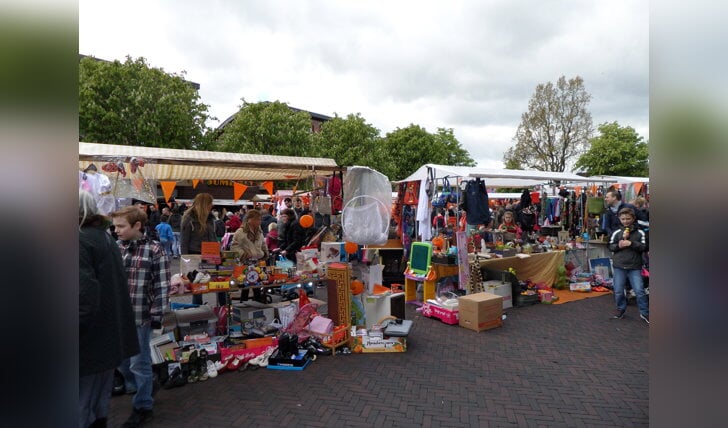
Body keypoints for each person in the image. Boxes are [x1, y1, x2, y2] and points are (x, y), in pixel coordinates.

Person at [79, 190, 139, 428]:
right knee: (97, 402)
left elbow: (82, 297)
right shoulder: (104, 237)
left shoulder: (79, 240)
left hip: (88, 339)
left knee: (81, 404)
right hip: (107, 334)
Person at [110, 205, 170, 427]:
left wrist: (157, 315)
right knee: (121, 362)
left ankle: (143, 406)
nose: (116, 230)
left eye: (120, 226)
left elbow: (161, 286)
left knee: (138, 362)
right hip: (118, 316)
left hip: (140, 316)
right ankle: (148, 384)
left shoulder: (155, 250)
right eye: (115, 226)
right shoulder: (115, 248)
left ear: (137, 226)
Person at [608, 207, 649, 324]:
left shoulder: (640, 232)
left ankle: (645, 313)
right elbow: (610, 246)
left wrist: (631, 243)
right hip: (619, 265)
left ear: (633, 218)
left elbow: (645, 247)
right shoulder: (616, 232)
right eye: (623, 219)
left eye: (628, 218)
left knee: (639, 290)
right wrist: (618, 246)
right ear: (619, 219)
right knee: (619, 290)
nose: (625, 221)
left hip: (634, 266)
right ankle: (620, 309)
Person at [180, 193, 218, 305]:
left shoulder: (210, 218)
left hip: (210, 255)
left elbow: (213, 236)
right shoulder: (188, 219)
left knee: (217, 282)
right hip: (195, 256)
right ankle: (198, 309)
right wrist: (185, 260)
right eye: (210, 203)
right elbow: (184, 242)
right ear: (205, 204)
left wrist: (217, 253)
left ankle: (221, 308)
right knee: (197, 286)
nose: (212, 205)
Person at [230, 209, 270, 302]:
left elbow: (263, 243)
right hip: (245, 263)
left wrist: (264, 253)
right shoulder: (240, 232)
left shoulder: (259, 232)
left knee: (257, 286)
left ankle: (258, 304)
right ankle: (243, 305)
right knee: (245, 287)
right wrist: (243, 254)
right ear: (249, 219)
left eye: (260, 219)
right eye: (257, 219)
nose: (259, 221)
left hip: (257, 263)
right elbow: (234, 246)